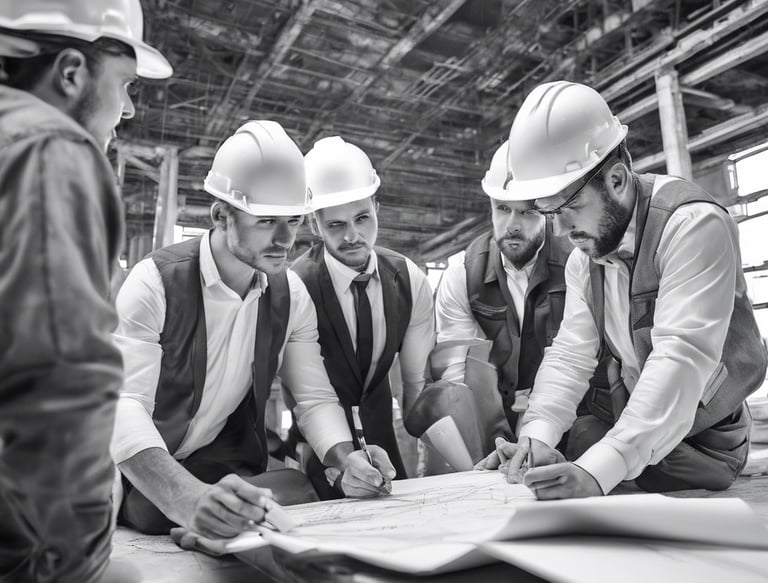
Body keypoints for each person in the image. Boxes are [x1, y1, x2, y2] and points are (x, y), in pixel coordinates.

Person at [476, 80, 768, 499]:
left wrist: (598, 471)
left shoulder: (693, 227)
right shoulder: (585, 259)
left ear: (615, 179)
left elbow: (680, 358)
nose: (559, 229)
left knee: (591, 455)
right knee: (575, 439)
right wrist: (537, 438)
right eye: (550, 213)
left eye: (569, 208)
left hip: (707, 442)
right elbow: (571, 354)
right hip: (632, 424)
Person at [111, 122, 395, 539]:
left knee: (295, 490)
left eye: (294, 221)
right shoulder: (154, 282)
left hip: (211, 461)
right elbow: (124, 405)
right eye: (266, 222)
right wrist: (185, 498)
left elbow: (314, 398)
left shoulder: (290, 295)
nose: (285, 240)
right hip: (123, 467)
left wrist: (345, 458)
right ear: (221, 215)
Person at [0, 2, 171, 582]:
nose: (127, 110)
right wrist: (79, 567)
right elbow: (58, 393)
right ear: (71, 72)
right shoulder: (50, 151)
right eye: (123, 84)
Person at [409, 141, 573, 464]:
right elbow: (460, 380)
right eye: (502, 209)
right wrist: (486, 445)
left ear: (547, 210)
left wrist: (536, 431)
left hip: (566, 410)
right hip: (494, 415)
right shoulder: (462, 273)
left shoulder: (576, 263)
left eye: (526, 211)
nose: (512, 224)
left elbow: (580, 358)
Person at [289, 136, 434, 493]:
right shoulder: (294, 287)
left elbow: (415, 382)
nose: (353, 236)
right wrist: (337, 456)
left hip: (386, 441)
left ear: (377, 208)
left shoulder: (409, 279)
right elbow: (307, 395)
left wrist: (429, 446)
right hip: (318, 446)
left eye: (362, 218)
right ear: (314, 225)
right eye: (336, 225)